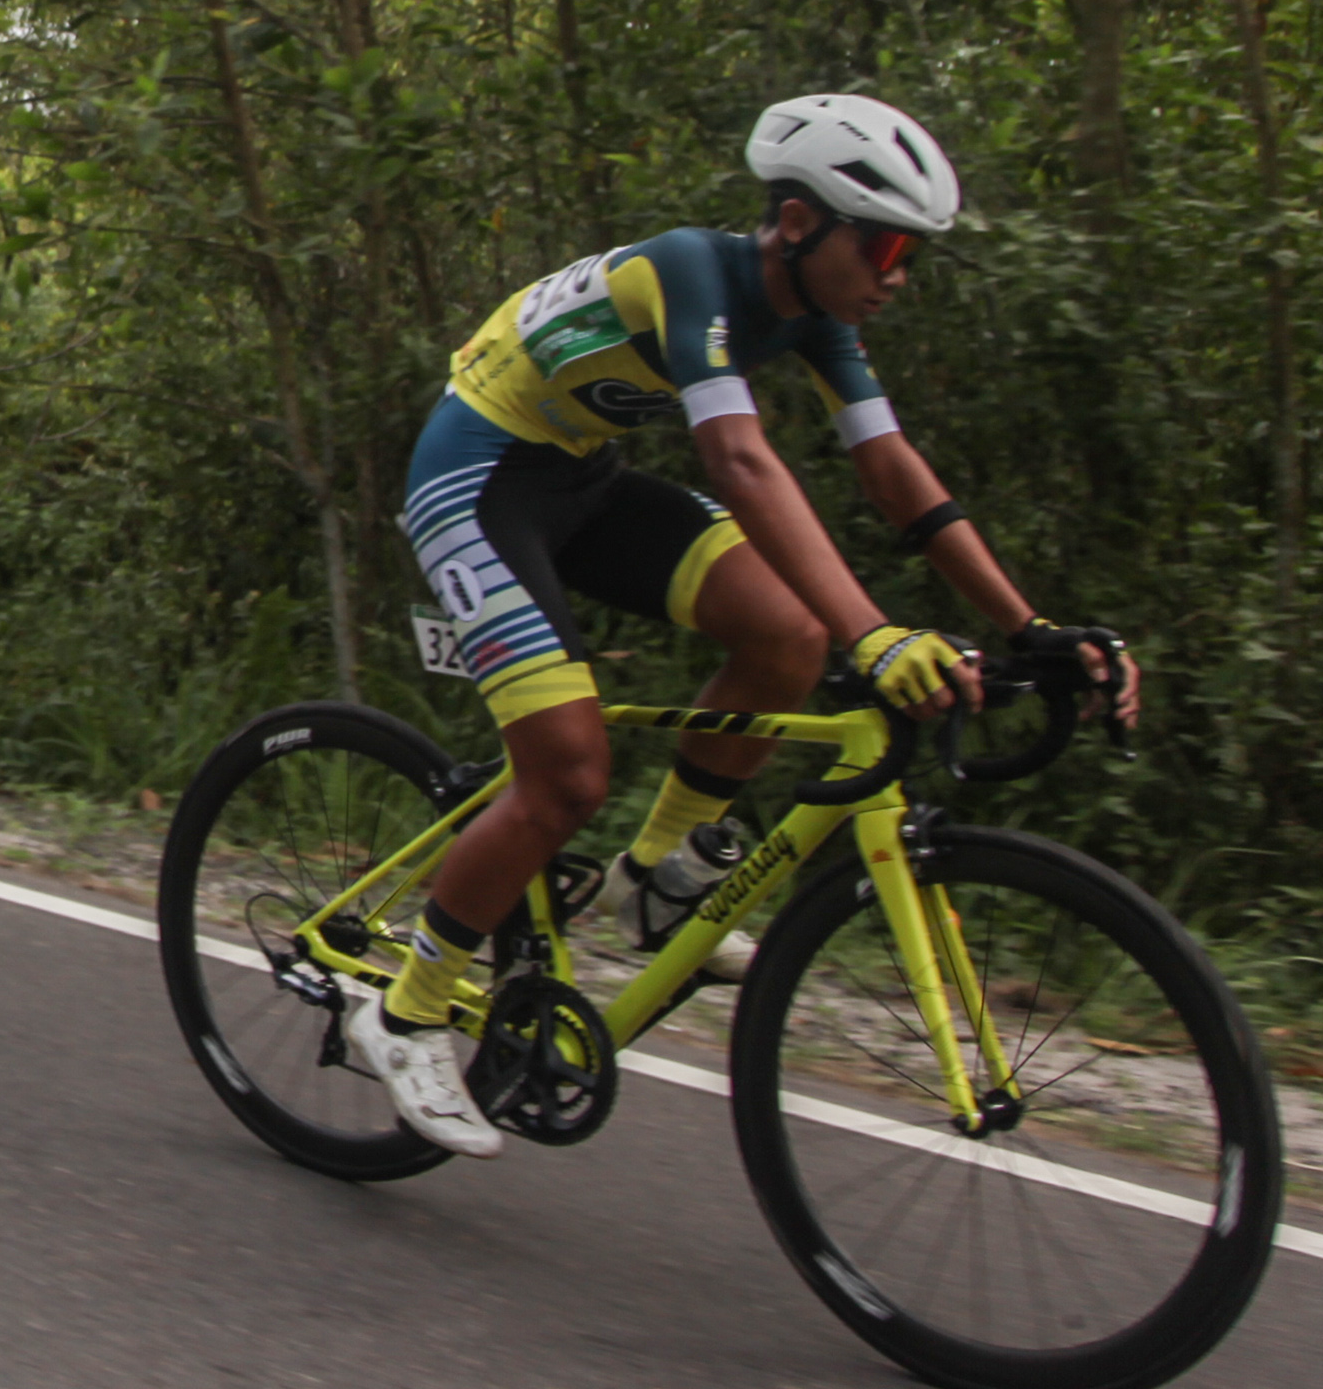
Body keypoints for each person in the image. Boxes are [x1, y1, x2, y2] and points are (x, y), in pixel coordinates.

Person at [340, 94, 1142, 1158]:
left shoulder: (817, 314)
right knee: (567, 774)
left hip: (582, 480)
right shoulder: (690, 270)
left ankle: (658, 871)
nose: (899, 273)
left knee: (786, 637)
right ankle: (405, 1006)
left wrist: (1027, 623)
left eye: (913, 253)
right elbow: (736, 458)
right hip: (474, 477)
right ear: (802, 222)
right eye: (889, 244)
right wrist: (876, 635)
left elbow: (893, 471)